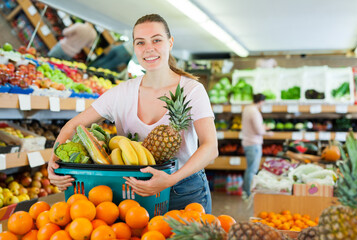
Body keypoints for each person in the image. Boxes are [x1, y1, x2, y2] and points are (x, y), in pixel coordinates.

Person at [48, 14, 218, 213]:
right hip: (133, 189)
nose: (149, 48)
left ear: (170, 43)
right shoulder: (121, 92)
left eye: (156, 40)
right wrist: (54, 160)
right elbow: (73, 126)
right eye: (140, 42)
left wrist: (170, 180)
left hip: (184, 189)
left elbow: (210, 147)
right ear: (134, 48)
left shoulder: (191, 90)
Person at [241, 94, 273, 198]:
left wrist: (262, 127)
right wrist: (268, 133)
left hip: (247, 141)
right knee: (252, 170)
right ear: (260, 102)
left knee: (249, 169)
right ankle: (249, 193)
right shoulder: (254, 112)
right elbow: (258, 130)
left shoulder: (247, 109)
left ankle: (246, 191)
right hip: (253, 143)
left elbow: (252, 126)